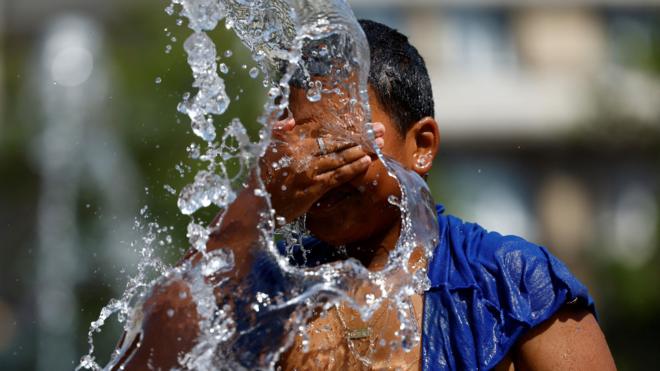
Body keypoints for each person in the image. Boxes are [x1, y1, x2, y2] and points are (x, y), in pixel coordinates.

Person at [111, 20, 616, 370]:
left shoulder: (508, 284)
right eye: (295, 150)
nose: (317, 173)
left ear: (421, 146)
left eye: (338, 147)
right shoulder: (267, 287)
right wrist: (252, 211)